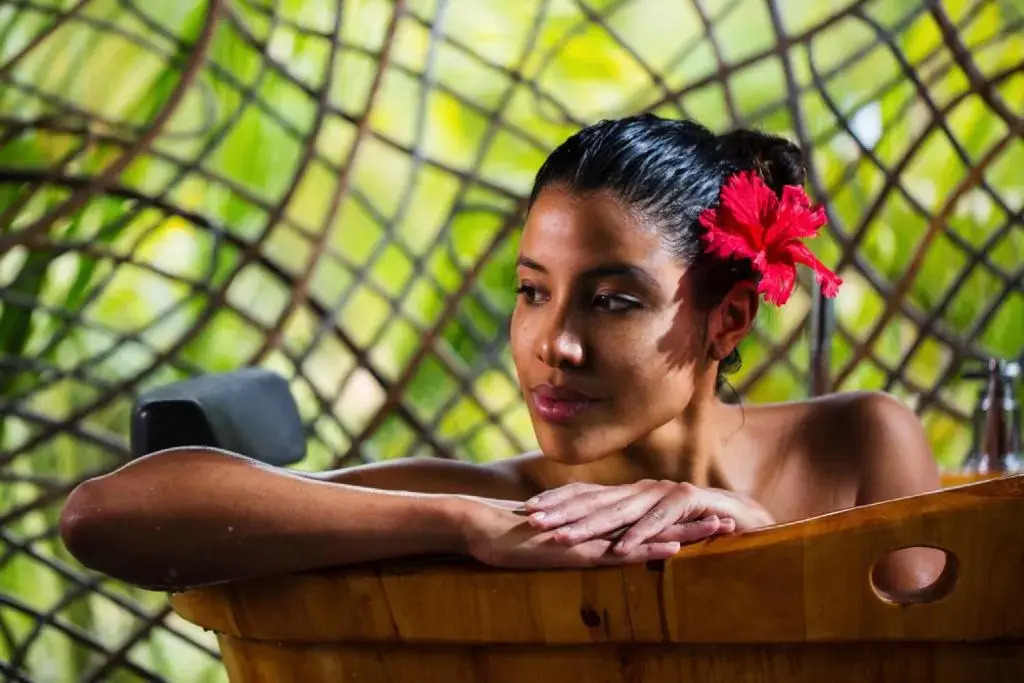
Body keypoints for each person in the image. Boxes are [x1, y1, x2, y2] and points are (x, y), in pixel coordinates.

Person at [59, 114, 943, 594]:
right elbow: (103, 515)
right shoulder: (517, 508)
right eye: (532, 290)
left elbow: (936, 658)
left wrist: (765, 543)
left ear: (729, 318)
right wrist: (465, 526)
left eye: (612, 299)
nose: (553, 343)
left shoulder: (859, 443)